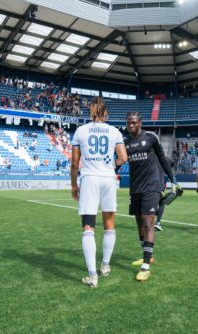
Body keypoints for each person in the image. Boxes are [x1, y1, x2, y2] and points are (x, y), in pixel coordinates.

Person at [71, 97, 127, 288]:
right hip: (108, 179)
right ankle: (105, 266)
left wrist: (73, 185)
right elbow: (123, 158)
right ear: (105, 113)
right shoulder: (114, 131)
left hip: (90, 179)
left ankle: (92, 276)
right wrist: (112, 165)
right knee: (109, 224)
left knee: (88, 226)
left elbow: (74, 162)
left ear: (91, 112)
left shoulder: (81, 131)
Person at [125, 111, 176, 281]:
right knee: (139, 223)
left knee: (148, 223)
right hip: (135, 189)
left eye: (134, 122)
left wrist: (173, 179)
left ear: (140, 122)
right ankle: (147, 254)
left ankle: (146, 266)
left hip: (151, 187)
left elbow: (162, 159)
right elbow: (117, 163)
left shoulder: (151, 137)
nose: (131, 125)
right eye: (128, 123)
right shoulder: (125, 143)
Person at [154, 157, 176, 232]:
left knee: (155, 202)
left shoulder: (149, 157)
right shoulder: (163, 158)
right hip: (160, 183)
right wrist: (168, 170)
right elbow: (173, 162)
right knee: (161, 203)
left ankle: (154, 218)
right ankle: (157, 223)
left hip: (149, 183)